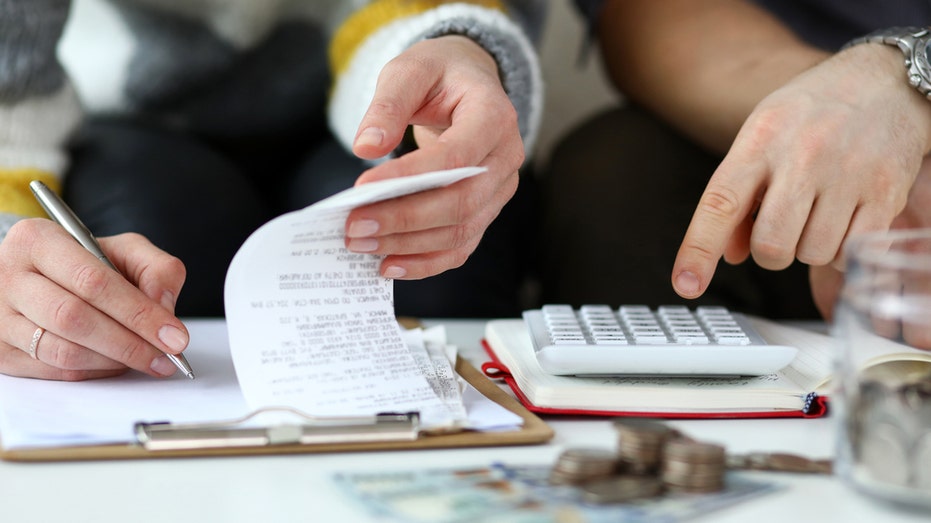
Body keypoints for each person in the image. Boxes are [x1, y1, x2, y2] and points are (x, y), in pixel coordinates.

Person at [0, 0, 546, 380]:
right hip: (135, 116)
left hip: (381, 93)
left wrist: (461, 51)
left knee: (426, 255)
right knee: (155, 230)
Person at [540, 0, 931, 320]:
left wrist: (906, 121)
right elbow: (653, 15)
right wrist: (850, 125)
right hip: (762, 83)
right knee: (619, 170)